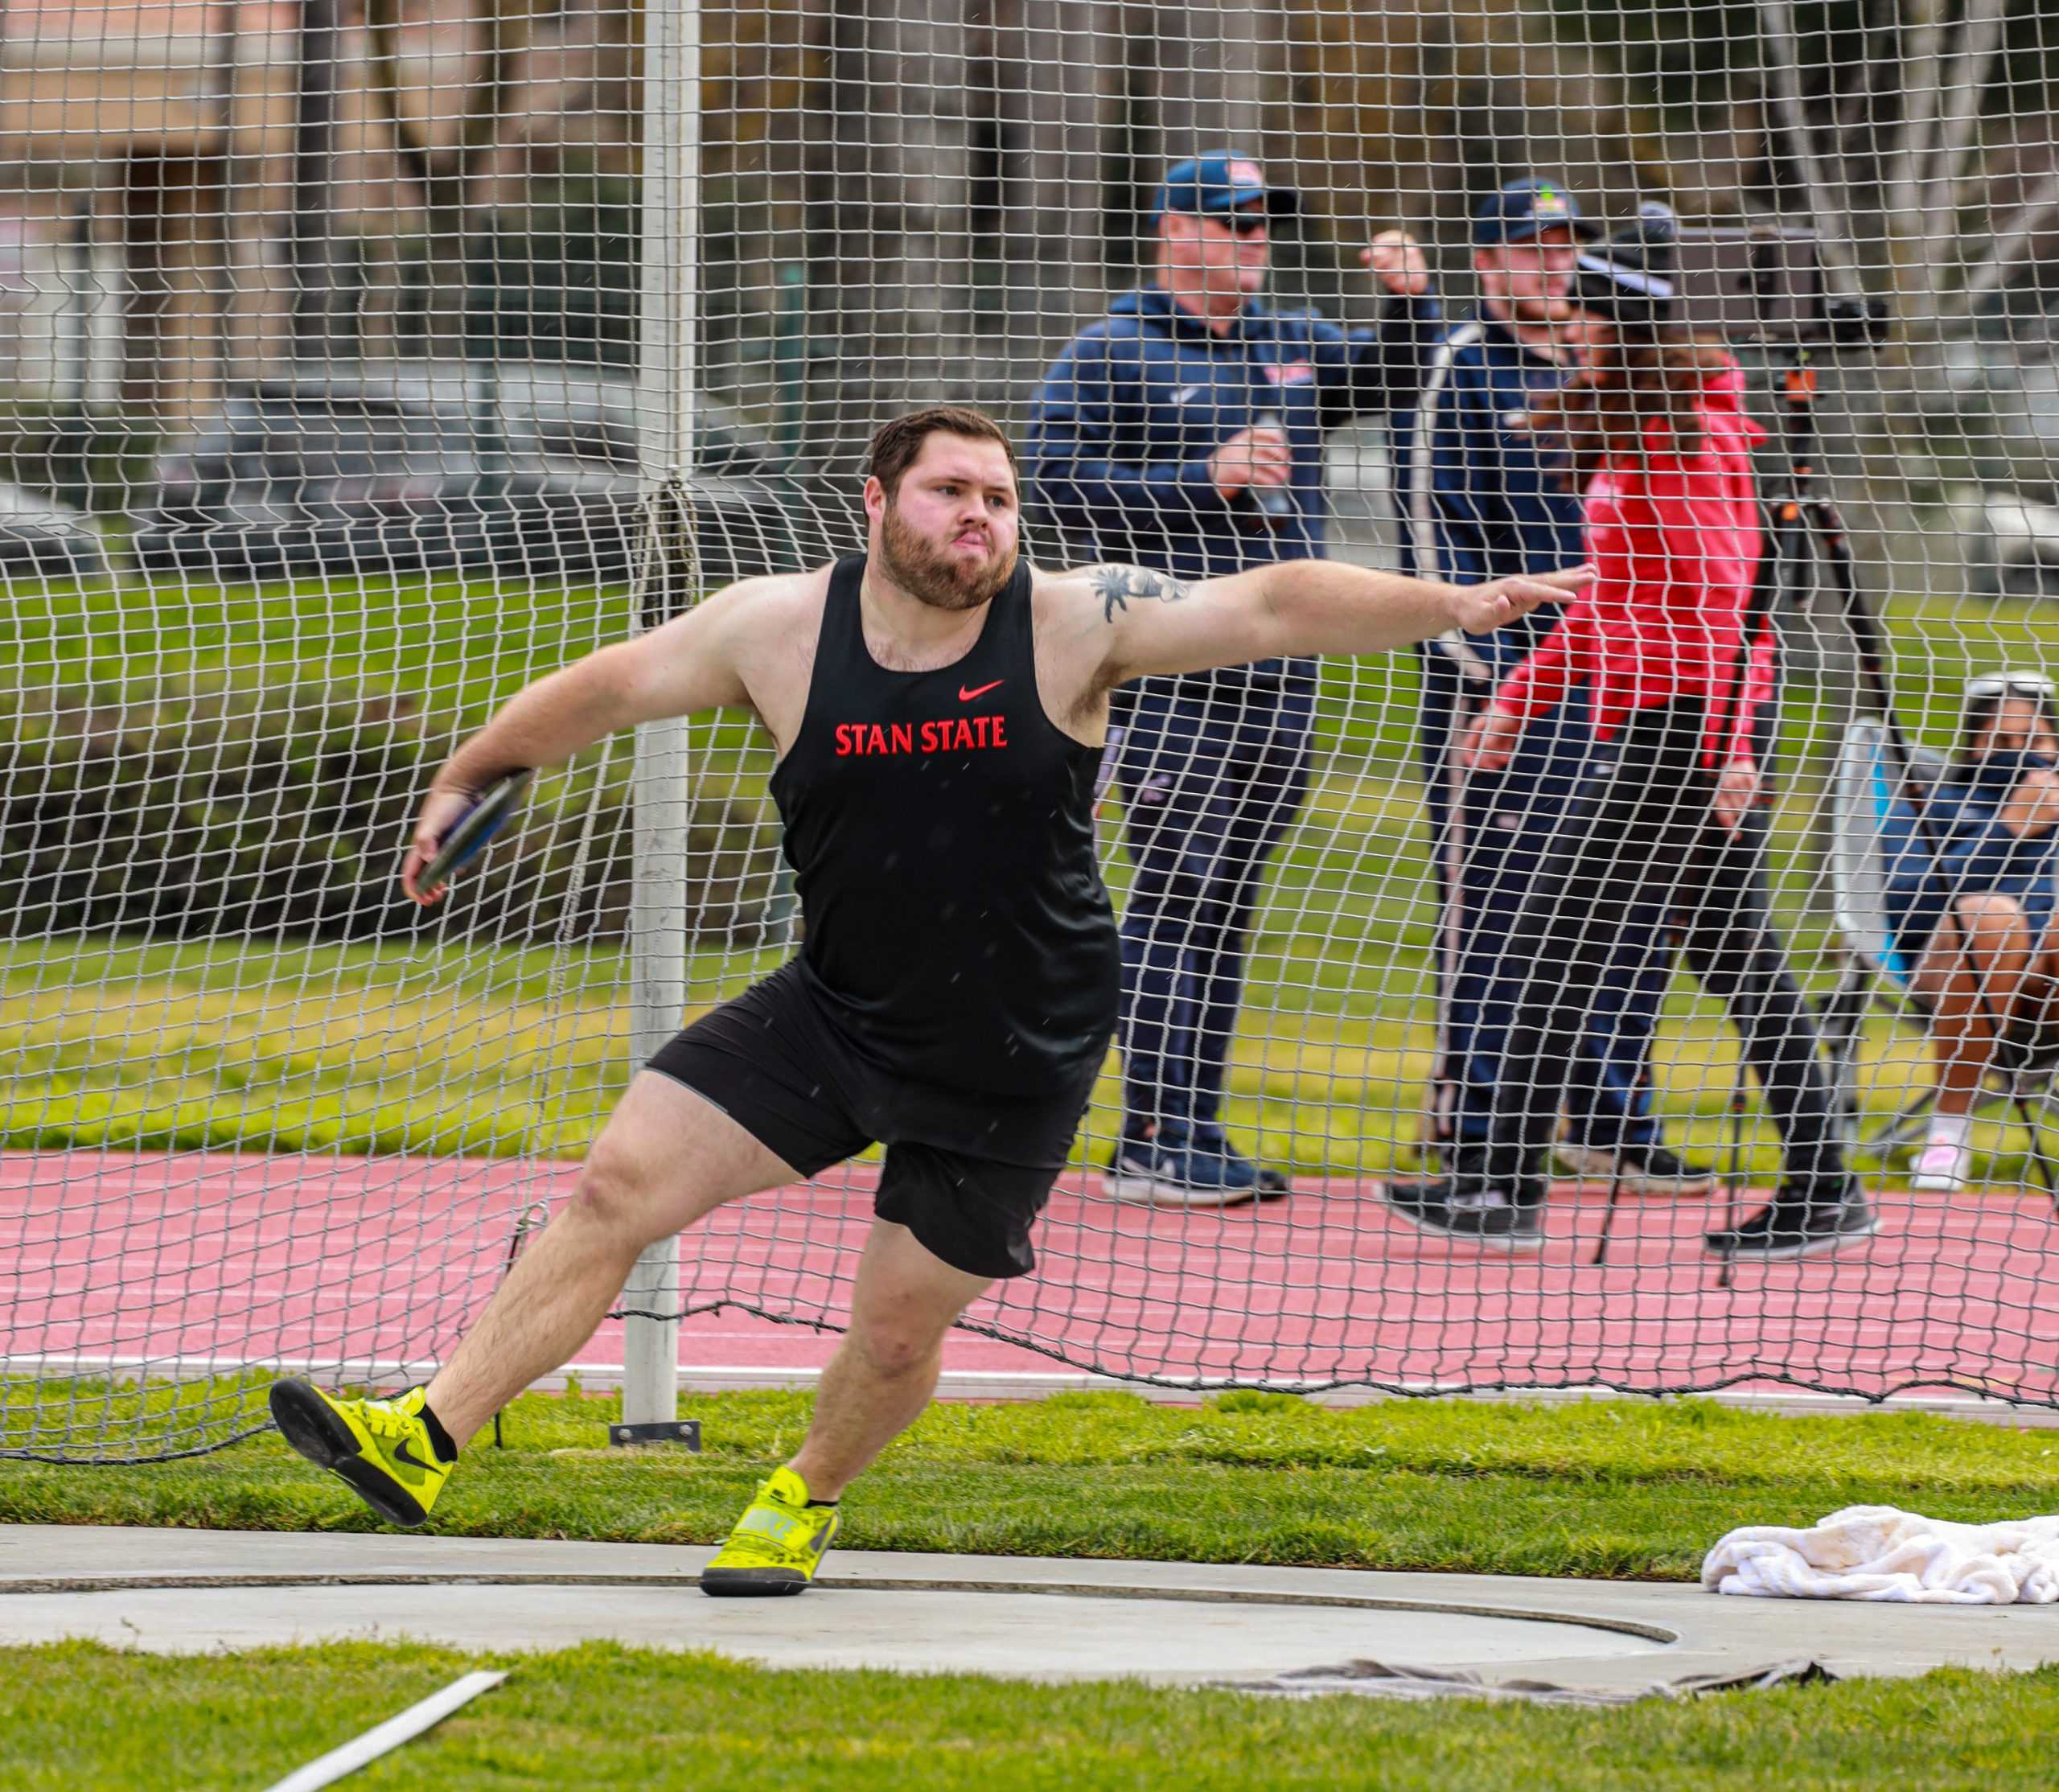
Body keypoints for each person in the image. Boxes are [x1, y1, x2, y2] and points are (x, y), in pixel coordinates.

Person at [266, 403, 1589, 1592]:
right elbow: (607, 689)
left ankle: (802, 1495)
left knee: (894, 1333)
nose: (980, 518)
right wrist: (467, 772)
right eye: (953, 491)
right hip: (834, 1008)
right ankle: (427, 1433)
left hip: (1015, 1047)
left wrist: (1451, 605)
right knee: (617, 1183)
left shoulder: (1077, 621)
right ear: (878, 501)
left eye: (1000, 498)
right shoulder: (775, 630)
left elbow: (1273, 603)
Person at [1381, 235, 1877, 1261]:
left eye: (1580, 327)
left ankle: (1503, 1187)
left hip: (1681, 744)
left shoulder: (1686, 442)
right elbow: (1618, 598)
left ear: (1621, 335)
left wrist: (1733, 747)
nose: (1565, 343)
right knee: (1721, 961)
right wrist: (1519, 698)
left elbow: (1732, 611)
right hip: (1654, 734)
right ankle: (1815, 1186)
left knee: (1551, 950)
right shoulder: (1638, 431)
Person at [1025, 150, 1441, 1207]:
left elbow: (1397, 381)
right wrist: (1195, 482)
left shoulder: (1290, 339)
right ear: (1175, 232)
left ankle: (1194, 1127)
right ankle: (1154, 1138)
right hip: (1170, 678)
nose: (1255, 242)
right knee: (1175, 898)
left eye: (1264, 225)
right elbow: (1052, 489)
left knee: (1229, 905)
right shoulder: (1113, 349)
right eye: (1233, 223)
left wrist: (1407, 305)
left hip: (1280, 679)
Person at [1393, 178, 1722, 1196]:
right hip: (1502, 686)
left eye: (1565, 249)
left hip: (1616, 694)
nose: (1552, 267)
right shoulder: (1463, 363)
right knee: (1501, 912)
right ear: (1487, 263)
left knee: (1623, 910)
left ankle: (1613, 1118)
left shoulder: (1627, 379)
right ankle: (1478, 1123)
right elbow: (1426, 521)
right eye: (1530, 250)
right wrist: (1476, 666)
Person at [1886, 673, 2059, 1193]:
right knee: (1993, 915)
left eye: (2033, 741)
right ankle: (1948, 1133)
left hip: (2048, 983)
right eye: (2000, 741)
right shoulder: (1934, 801)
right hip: (1953, 966)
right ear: (1973, 743)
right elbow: (1905, 906)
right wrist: (2008, 828)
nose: (2018, 753)